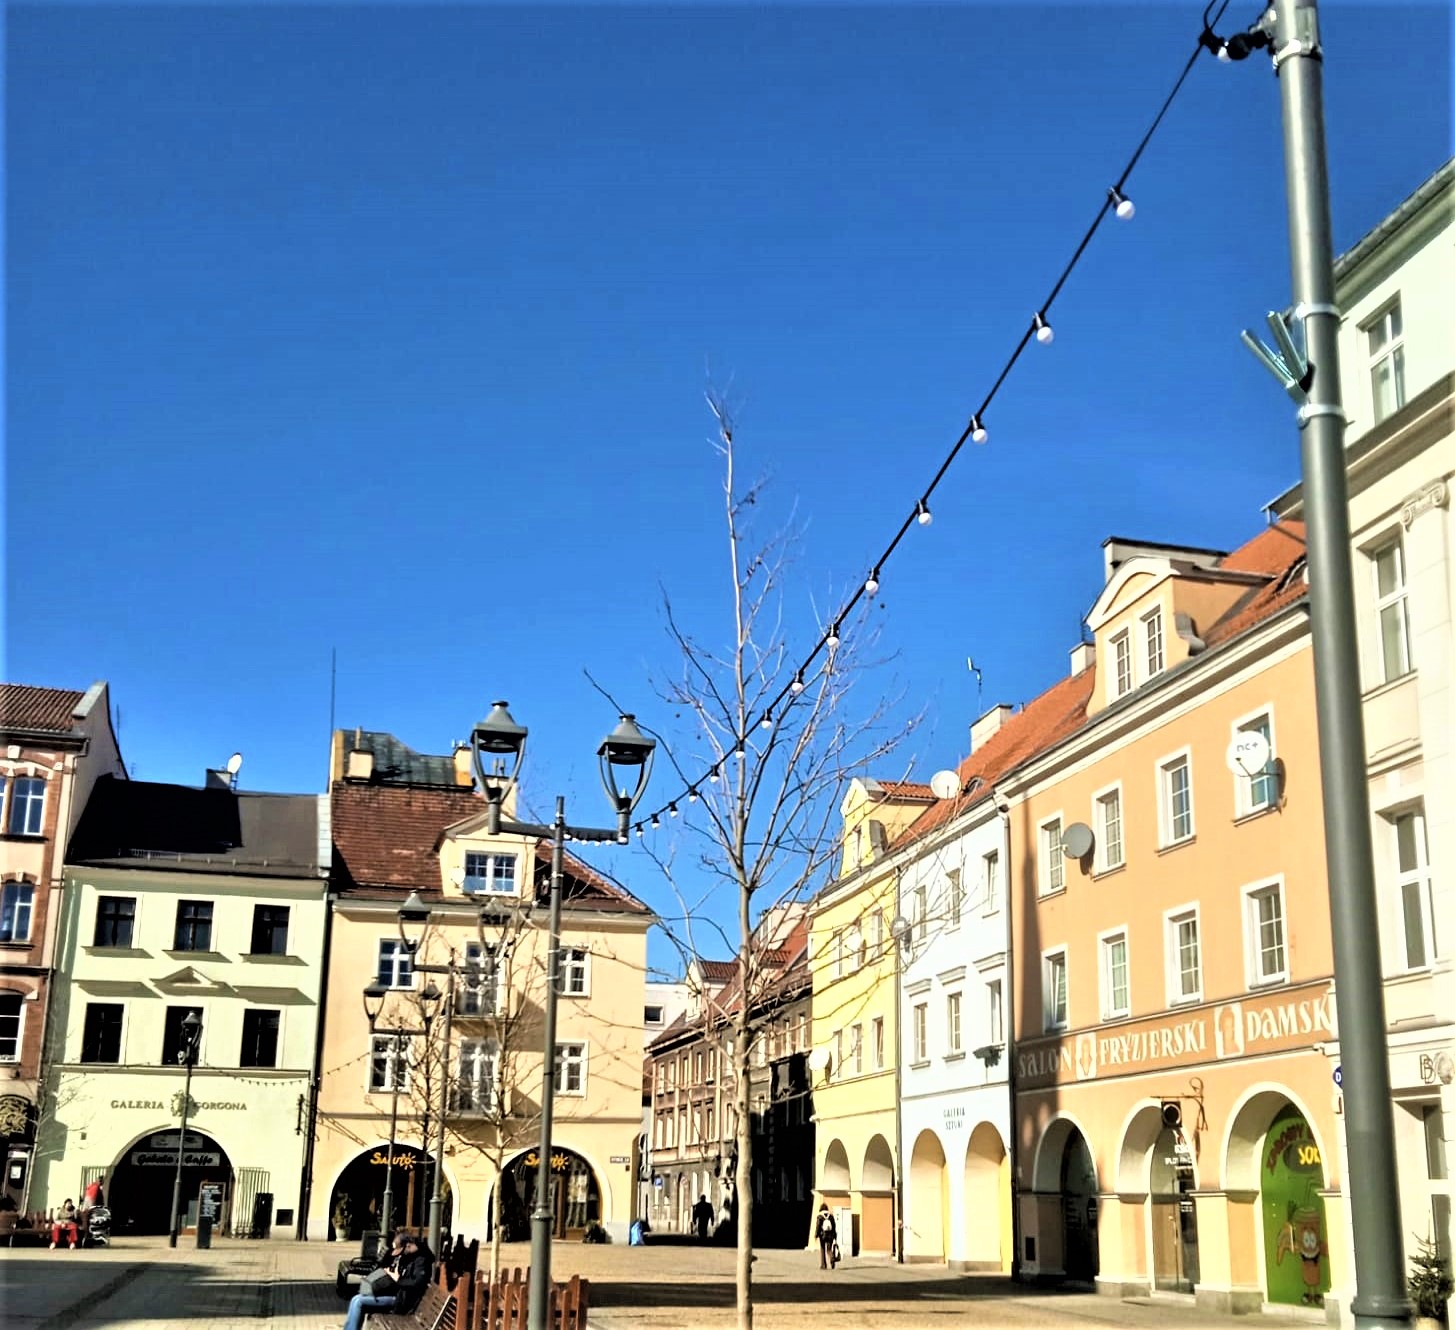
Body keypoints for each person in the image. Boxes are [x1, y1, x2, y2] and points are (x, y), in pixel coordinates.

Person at [342, 1232, 432, 1330]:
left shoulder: (422, 1261)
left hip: (402, 1301)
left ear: (408, 1245)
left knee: (359, 1302)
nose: (400, 1255)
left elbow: (417, 1283)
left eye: (401, 1251)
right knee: (356, 1299)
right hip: (396, 1294)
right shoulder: (409, 1256)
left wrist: (397, 1278)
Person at [814, 1203, 838, 1270]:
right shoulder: (831, 1216)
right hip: (830, 1235)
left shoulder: (820, 1216)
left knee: (822, 1249)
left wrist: (816, 1235)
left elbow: (818, 1226)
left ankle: (823, 1265)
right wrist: (834, 1235)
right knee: (829, 1249)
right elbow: (834, 1226)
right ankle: (832, 1257)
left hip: (823, 1235)